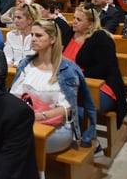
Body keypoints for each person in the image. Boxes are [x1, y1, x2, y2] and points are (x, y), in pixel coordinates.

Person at [10, 19, 97, 155]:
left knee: (20, 139)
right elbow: (14, 97)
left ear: (52, 39)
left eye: (39, 35)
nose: (33, 39)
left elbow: (67, 109)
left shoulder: (67, 70)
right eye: (32, 35)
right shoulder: (26, 64)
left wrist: (39, 116)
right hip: (27, 122)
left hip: (57, 127)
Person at [63, 5, 127, 139]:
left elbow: (104, 68)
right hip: (70, 84)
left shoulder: (100, 38)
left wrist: (77, 78)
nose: (74, 22)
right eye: (74, 18)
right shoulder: (69, 33)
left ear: (90, 24)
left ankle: (87, 141)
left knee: (75, 110)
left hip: (101, 86)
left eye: (79, 20)